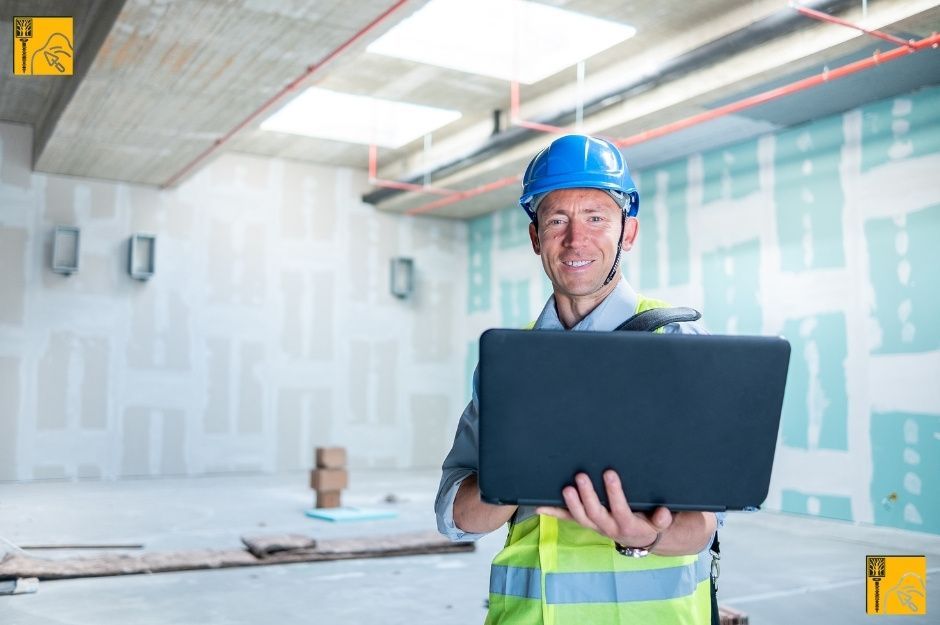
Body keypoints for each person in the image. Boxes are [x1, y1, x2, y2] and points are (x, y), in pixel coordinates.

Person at [435, 134, 723, 624]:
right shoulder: (509, 360)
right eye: (556, 220)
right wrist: (520, 468)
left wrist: (645, 537)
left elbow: (702, 525)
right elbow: (456, 518)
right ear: (536, 239)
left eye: (596, 218)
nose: (575, 239)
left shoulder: (677, 342)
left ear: (627, 233)